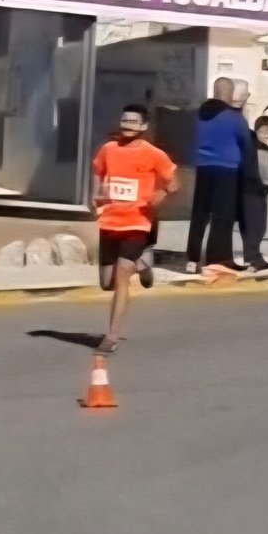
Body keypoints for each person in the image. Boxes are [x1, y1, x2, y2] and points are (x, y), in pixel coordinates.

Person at [91, 104, 178, 352]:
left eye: (133, 121)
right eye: (124, 120)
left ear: (143, 127)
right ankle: (142, 265)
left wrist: (161, 192)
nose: (127, 125)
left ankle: (112, 337)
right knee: (106, 282)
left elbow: (174, 182)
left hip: (137, 222)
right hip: (109, 221)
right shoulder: (108, 149)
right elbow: (98, 171)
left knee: (121, 277)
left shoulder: (153, 154)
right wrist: (95, 194)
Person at [185, 79, 247, 277]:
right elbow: (245, 141)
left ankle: (192, 259)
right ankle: (217, 259)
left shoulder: (197, 115)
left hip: (203, 168)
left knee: (199, 215)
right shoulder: (233, 117)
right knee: (222, 217)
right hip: (227, 170)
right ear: (229, 94)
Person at [239, 116, 268, 272]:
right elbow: (266, 174)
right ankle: (253, 258)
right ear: (256, 131)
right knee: (257, 226)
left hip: (248, 191)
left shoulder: (249, 147)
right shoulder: (263, 150)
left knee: (249, 226)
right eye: (263, 131)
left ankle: (251, 257)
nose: (265, 135)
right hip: (256, 192)